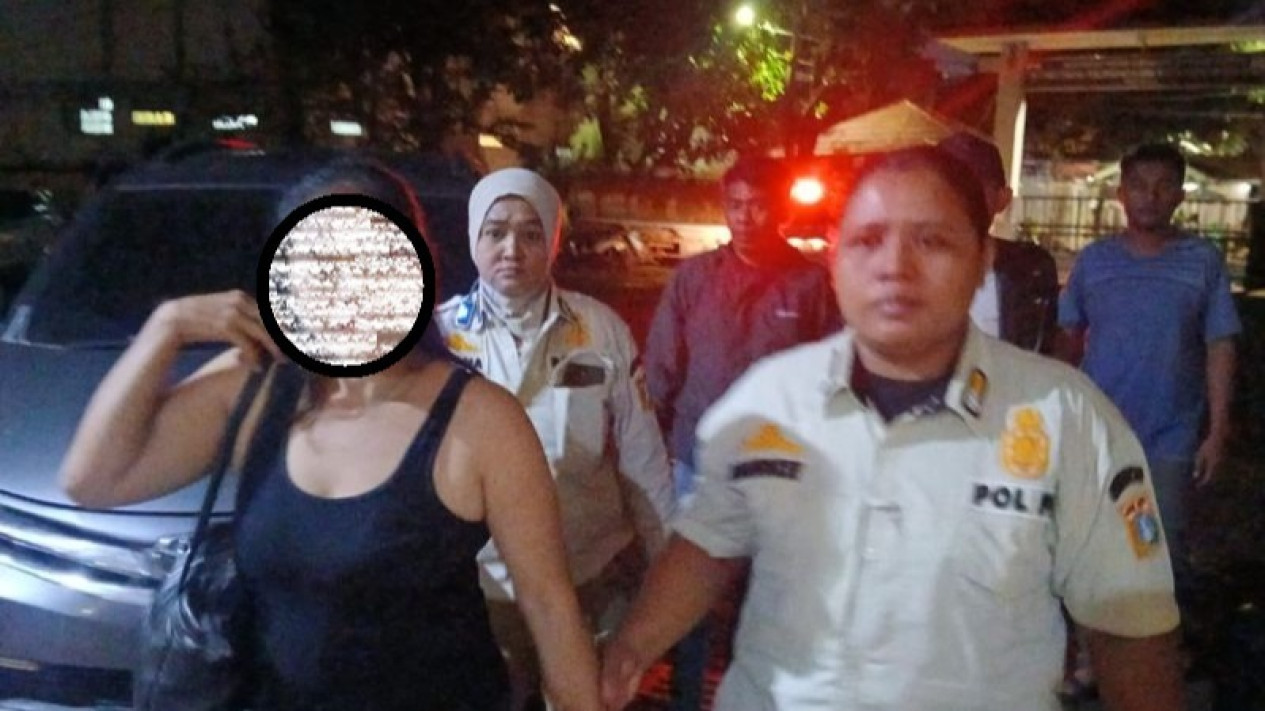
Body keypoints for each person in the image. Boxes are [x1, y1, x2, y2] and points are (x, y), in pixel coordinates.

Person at [601, 146, 1185, 711]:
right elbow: (708, 541)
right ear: (835, 258)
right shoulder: (769, 401)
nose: (895, 267)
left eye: (932, 241)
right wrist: (630, 649)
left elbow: (1129, 629)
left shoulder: (1067, 420)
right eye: (867, 240)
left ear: (983, 258)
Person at [59, 158, 602, 711]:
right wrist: (167, 327)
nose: (341, 284)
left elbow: (549, 605)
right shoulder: (256, 388)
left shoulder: (480, 420)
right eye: (316, 261)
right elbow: (93, 480)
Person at [434, 167, 674, 709]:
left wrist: (666, 580)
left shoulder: (600, 329)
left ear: (554, 241)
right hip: (481, 588)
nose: (512, 249)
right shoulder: (439, 338)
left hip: (586, 577)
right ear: (473, 238)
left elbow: (643, 457)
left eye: (531, 233)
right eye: (495, 232)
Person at [643, 155, 840, 710]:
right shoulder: (694, 279)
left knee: (766, 600)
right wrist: (655, 446)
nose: (747, 217)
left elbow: (833, 376)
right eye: (736, 205)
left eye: (759, 206)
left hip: (779, 474)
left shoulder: (810, 285)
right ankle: (686, 698)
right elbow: (661, 368)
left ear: (780, 210)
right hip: (697, 467)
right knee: (689, 599)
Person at [1059, 143, 1240, 606]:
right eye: (1138, 186)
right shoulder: (1094, 261)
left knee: (1159, 550)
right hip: (1099, 433)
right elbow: (1066, 341)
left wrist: (1217, 431)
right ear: (1121, 194)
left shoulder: (1202, 261)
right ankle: (1092, 643)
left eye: (1163, 186)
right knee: (1090, 543)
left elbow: (1220, 344)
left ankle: (1156, 645)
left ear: (1180, 195)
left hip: (1171, 437)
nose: (1150, 197)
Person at [937, 131, 1059, 354]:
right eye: (947, 187)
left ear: (1003, 198)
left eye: (975, 188)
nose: (961, 199)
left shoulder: (1031, 272)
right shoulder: (896, 268)